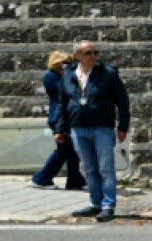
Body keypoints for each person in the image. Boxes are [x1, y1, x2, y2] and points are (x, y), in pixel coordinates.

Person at [56, 41, 130, 222]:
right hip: (78, 128)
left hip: (102, 127)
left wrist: (123, 127)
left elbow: (122, 101)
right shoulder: (68, 74)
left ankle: (108, 205)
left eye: (96, 52)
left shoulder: (108, 73)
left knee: (106, 168)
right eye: (89, 53)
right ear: (78, 56)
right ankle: (95, 203)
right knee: (89, 169)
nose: (94, 56)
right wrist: (60, 128)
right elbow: (62, 103)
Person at [30, 50, 86, 190]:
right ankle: (41, 178)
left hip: (66, 117)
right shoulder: (51, 76)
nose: (69, 66)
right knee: (62, 151)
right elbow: (68, 91)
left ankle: (75, 181)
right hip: (58, 118)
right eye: (66, 63)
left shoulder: (63, 76)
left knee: (71, 152)